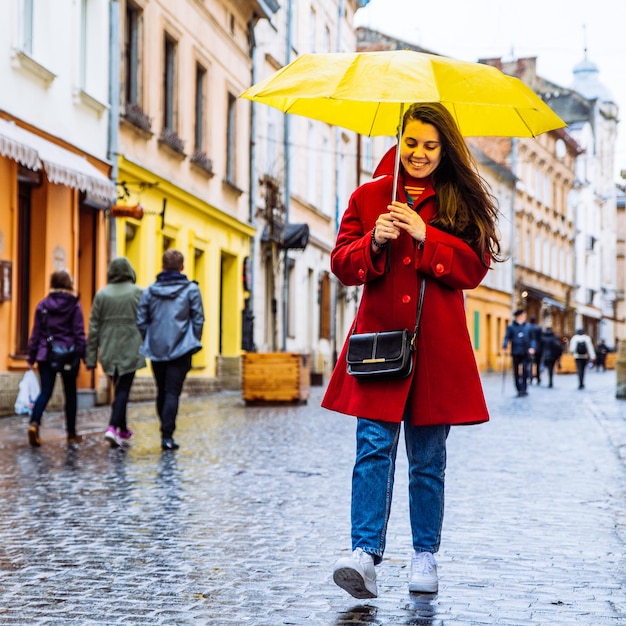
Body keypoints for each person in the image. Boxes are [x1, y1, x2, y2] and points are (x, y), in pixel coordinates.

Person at [322, 102, 502, 598]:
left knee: (427, 458)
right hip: (379, 346)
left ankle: (425, 555)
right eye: (411, 143)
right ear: (399, 139)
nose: (419, 154)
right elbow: (341, 263)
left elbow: (474, 268)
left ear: (444, 149)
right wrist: (372, 243)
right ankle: (363, 554)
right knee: (372, 450)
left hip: (436, 353)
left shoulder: (458, 202)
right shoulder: (370, 196)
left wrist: (427, 236)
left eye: (430, 145)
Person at [136, 250, 204, 451]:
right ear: (182, 267)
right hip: (182, 349)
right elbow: (198, 319)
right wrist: (192, 340)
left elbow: (141, 320)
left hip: (157, 348)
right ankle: (167, 435)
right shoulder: (191, 290)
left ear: (162, 266)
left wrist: (150, 338)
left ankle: (164, 432)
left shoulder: (149, 291)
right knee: (173, 392)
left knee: (162, 391)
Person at [85, 257, 146, 448]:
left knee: (119, 389)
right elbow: (146, 322)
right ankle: (112, 427)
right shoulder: (138, 293)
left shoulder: (102, 295)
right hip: (131, 347)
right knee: (123, 390)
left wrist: (91, 356)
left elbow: (93, 327)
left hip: (108, 348)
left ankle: (123, 428)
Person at [26, 270, 86, 446]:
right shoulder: (74, 305)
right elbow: (79, 333)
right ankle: (71, 433)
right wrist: (84, 355)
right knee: (70, 394)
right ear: (68, 285)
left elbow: (36, 333)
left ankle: (34, 423)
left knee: (45, 392)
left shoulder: (43, 305)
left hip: (46, 354)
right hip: (68, 355)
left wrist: (31, 357)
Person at [502, 309, 535, 397]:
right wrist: (505, 347)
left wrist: (532, 347)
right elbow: (506, 337)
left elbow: (532, 339)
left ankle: (524, 388)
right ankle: (518, 389)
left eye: (525, 316)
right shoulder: (511, 327)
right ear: (518, 316)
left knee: (525, 370)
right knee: (516, 371)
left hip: (525, 352)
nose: (524, 317)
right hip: (515, 351)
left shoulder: (528, 327)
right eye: (522, 316)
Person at [527, 315, 543, 384]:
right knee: (538, 364)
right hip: (538, 348)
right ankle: (538, 378)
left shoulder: (527, 328)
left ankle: (530, 378)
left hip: (529, 348)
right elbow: (541, 339)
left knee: (530, 363)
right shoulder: (538, 328)